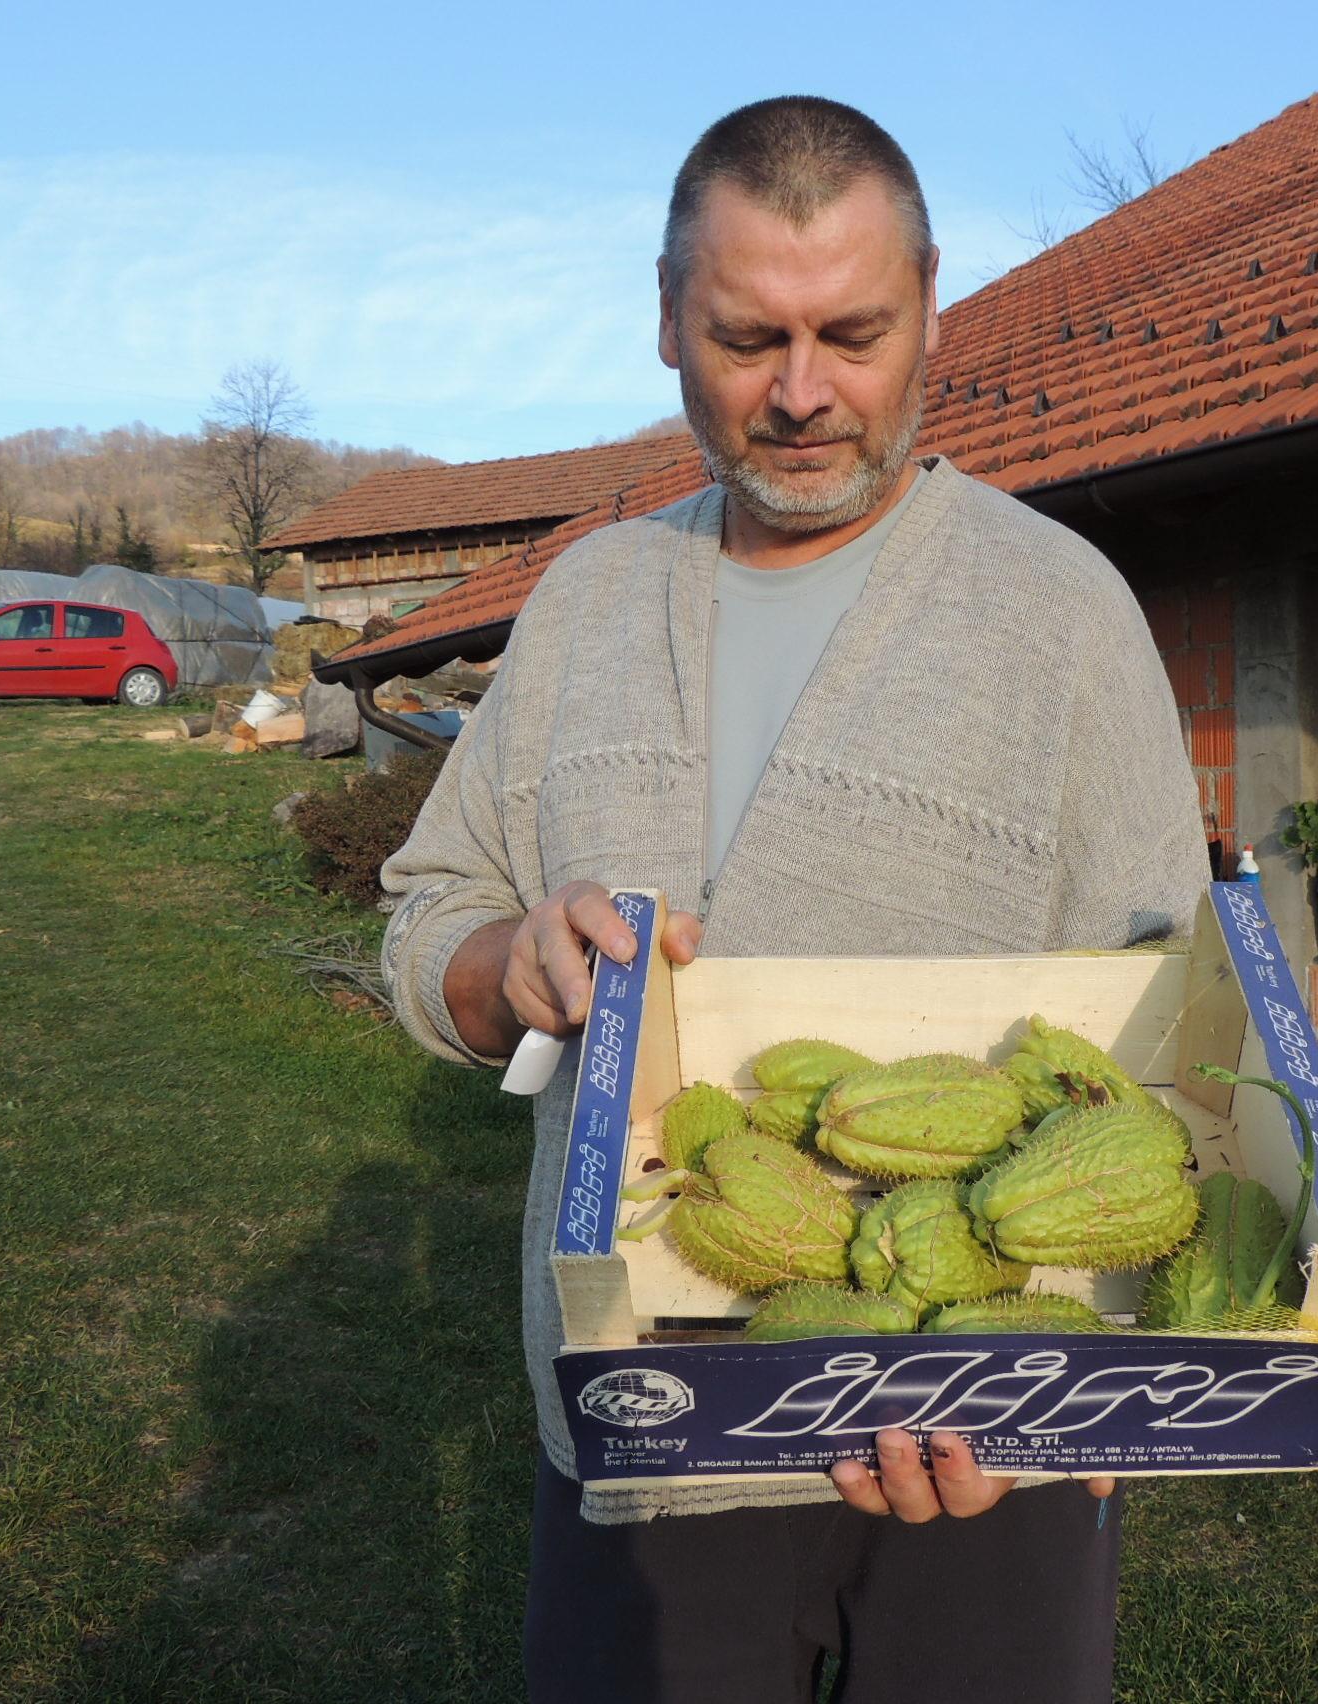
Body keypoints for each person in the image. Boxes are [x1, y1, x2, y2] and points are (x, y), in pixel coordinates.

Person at [381, 95, 1206, 1704]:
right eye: (751, 336)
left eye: (856, 331)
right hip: (646, 1439)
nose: (805, 391)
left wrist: (1076, 1415)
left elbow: (1161, 1040)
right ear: (669, 325)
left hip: (980, 1442)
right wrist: (509, 963)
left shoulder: (1063, 616)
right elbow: (424, 923)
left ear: (934, 312)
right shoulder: (587, 601)